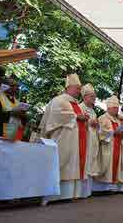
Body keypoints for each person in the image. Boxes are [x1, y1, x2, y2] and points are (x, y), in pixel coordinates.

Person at [39, 74, 90, 202]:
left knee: (73, 165)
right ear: (68, 87)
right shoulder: (59, 100)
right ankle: (54, 195)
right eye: (77, 88)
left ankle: (69, 195)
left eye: (80, 88)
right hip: (63, 139)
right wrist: (76, 117)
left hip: (76, 141)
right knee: (63, 163)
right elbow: (55, 116)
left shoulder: (76, 104)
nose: (79, 91)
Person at [93, 96, 123, 192]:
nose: (117, 110)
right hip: (107, 146)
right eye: (115, 108)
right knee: (106, 166)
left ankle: (111, 188)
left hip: (117, 146)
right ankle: (99, 189)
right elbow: (100, 132)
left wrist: (122, 132)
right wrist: (113, 132)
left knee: (114, 166)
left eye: (117, 108)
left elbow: (121, 133)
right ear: (109, 108)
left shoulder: (117, 121)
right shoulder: (103, 118)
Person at [79, 84, 100, 194]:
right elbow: (76, 123)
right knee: (84, 162)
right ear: (85, 97)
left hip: (93, 139)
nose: (94, 99)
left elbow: (97, 127)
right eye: (92, 97)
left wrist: (96, 125)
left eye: (94, 97)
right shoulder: (80, 108)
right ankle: (81, 191)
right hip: (84, 139)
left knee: (91, 162)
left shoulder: (93, 111)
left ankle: (87, 191)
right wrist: (88, 123)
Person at [0, 76, 27, 141]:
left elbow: (21, 118)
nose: (16, 88)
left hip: (13, 132)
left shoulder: (16, 101)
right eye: (13, 85)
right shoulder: (0, 97)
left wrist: (23, 115)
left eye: (17, 86)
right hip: (1, 131)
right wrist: (11, 113)